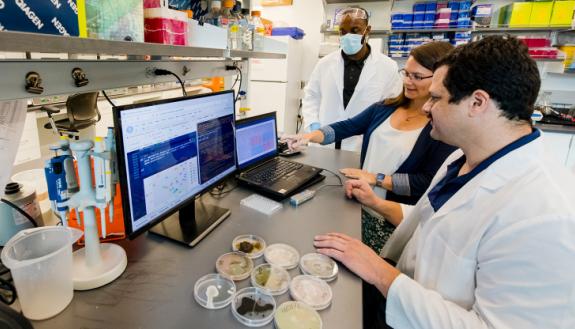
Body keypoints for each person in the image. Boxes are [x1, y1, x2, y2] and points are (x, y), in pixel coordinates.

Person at [314, 35, 575, 329]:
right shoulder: (465, 158)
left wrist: (380, 273)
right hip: (400, 298)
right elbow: (435, 222)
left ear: (477, 102)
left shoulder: (546, 217)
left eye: (436, 98)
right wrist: (375, 202)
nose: (426, 108)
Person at [286, 41, 457, 253]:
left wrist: (376, 178)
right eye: (406, 73)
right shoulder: (384, 108)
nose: (408, 82)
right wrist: (309, 135)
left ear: (440, 79)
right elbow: (346, 127)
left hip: (389, 218)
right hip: (359, 204)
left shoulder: (441, 126)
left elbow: (425, 182)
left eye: (417, 77)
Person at [301, 7, 402, 151]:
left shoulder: (387, 67)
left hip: (360, 144)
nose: (348, 36)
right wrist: (313, 125)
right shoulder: (325, 63)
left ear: (367, 30)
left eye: (355, 30)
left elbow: (391, 107)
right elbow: (311, 96)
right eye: (343, 31)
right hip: (323, 141)